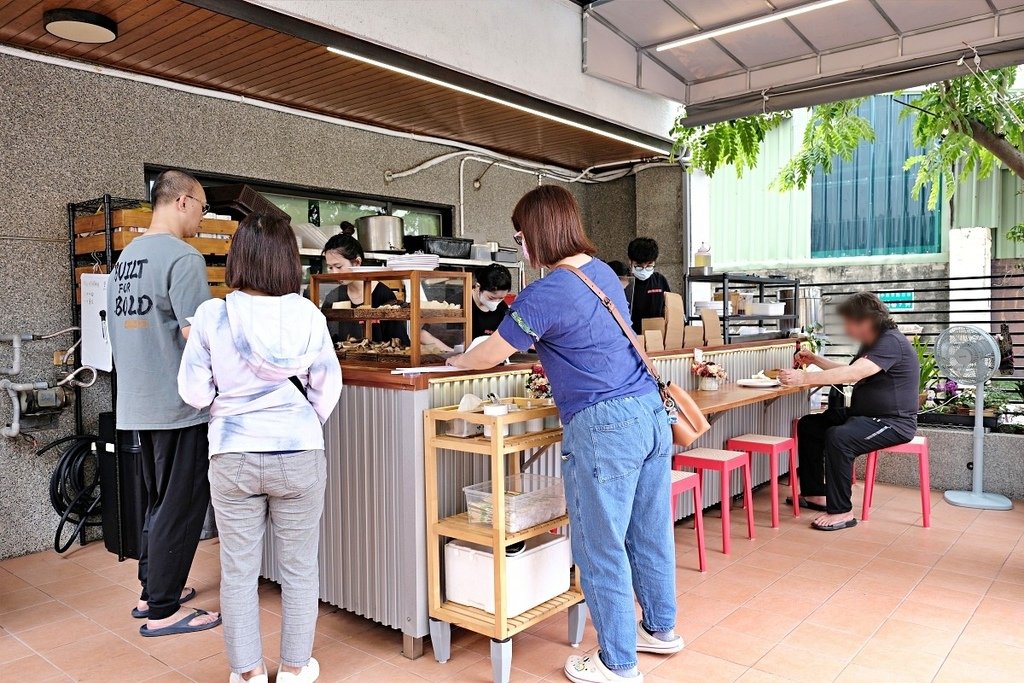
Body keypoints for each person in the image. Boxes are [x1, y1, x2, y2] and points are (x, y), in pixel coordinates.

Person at [446, 186, 681, 683]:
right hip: (649, 414)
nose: (519, 246)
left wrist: (455, 361)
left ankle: (617, 663)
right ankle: (660, 630)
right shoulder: (599, 274)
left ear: (537, 232)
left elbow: (492, 353)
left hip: (605, 425)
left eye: (518, 235)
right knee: (648, 532)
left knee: (600, 546)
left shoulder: (547, 290)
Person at [178, 213, 343, 683]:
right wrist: (304, 424)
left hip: (231, 456)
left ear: (239, 259)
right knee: (298, 570)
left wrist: (225, 402)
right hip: (298, 454)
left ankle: (247, 673)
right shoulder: (309, 314)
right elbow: (328, 387)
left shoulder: (213, 315)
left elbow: (192, 392)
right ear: (288, 261)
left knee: (238, 572)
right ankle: (294, 668)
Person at [105, 169, 221, 637]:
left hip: (136, 402)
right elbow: (197, 337)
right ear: (183, 201)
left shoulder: (125, 259)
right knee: (181, 503)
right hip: (177, 405)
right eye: (203, 207)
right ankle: (163, 611)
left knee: (157, 501)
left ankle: (150, 590)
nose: (202, 218)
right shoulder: (183, 258)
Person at [780, 292, 919, 531]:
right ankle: (815, 494)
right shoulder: (874, 341)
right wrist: (815, 360)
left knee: (840, 437)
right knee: (810, 426)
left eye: (849, 321)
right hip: (864, 415)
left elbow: (854, 374)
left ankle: (842, 511)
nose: (846, 327)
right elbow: (852, 369)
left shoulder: (890, 341)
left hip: (892, 422)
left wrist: (805, 377)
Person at [318, 233, 408, 344]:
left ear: (357, 262)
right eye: (330, 267)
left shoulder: (384, 295)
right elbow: (324, 342)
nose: (334, 273)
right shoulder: (333, 297)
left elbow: (399, 343)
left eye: (339, 266)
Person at [626, 237, 670, 334]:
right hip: (631, 334)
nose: (644, 269)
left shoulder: (660, 281)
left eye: (649, 265)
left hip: (657, 334)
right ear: (630, 262)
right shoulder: (624, 283)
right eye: (639, 266)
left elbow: (669, 309)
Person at [470, 263, 512, 338]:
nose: (496, 302)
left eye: (501, 298)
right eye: (491, 298)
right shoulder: (460, 302)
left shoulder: (502, 309)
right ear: (478, 287)